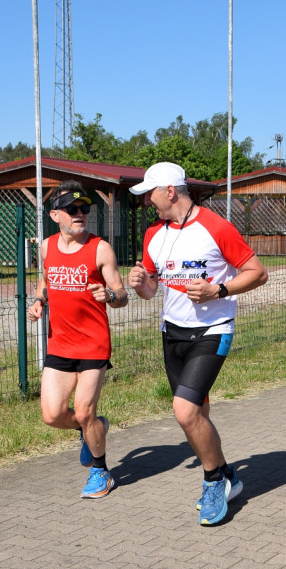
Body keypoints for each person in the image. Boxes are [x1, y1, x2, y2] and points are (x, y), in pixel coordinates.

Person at [127, 162, 268, 526]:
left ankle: (212, 482)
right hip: (172, 332)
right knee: (197, 415)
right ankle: (229, 476)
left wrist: (217, 290)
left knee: (185, 412)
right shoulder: (153, 234)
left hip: (212, 330)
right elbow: (150, 290)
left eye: (151, 193)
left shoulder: (216, 227)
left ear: (170, 191)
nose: (147, 201)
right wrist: (139, 282)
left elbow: (258, 272)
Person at [27, 180, 129, 499]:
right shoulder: (46, 247)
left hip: (93, 344)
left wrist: (109, 294)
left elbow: (123, 294)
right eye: (73, 209)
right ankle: (91, 430)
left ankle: (100, 471)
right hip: (60, 343)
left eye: (84, 209)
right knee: (52, 415)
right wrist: (39, 301)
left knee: (85, 411)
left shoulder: (100, 248)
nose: (80, 214)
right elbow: (46, 281)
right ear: (56, 214)